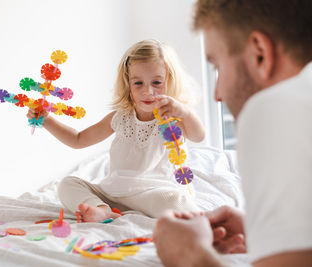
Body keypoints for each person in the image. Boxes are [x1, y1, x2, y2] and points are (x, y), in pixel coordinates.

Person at [153, 0, 312, 266]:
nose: (217, 94)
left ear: (260, 53)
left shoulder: (274, 108)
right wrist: (266, 230)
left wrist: (189, 255)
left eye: (217, 67)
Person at [27, 39, 205, 222]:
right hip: (113, 193)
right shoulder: (120, 118)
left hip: (152, 194)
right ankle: (101, 210)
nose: (148, 90)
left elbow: (198, 136)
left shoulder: (175, 117)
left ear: (170, 81)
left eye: (157, 82)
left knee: (176, 200)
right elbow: (78, 139)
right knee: (67, 184)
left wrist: (185, 112)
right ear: (128, 84)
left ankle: (202, 221)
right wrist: (47, 121)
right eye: (138, 83)